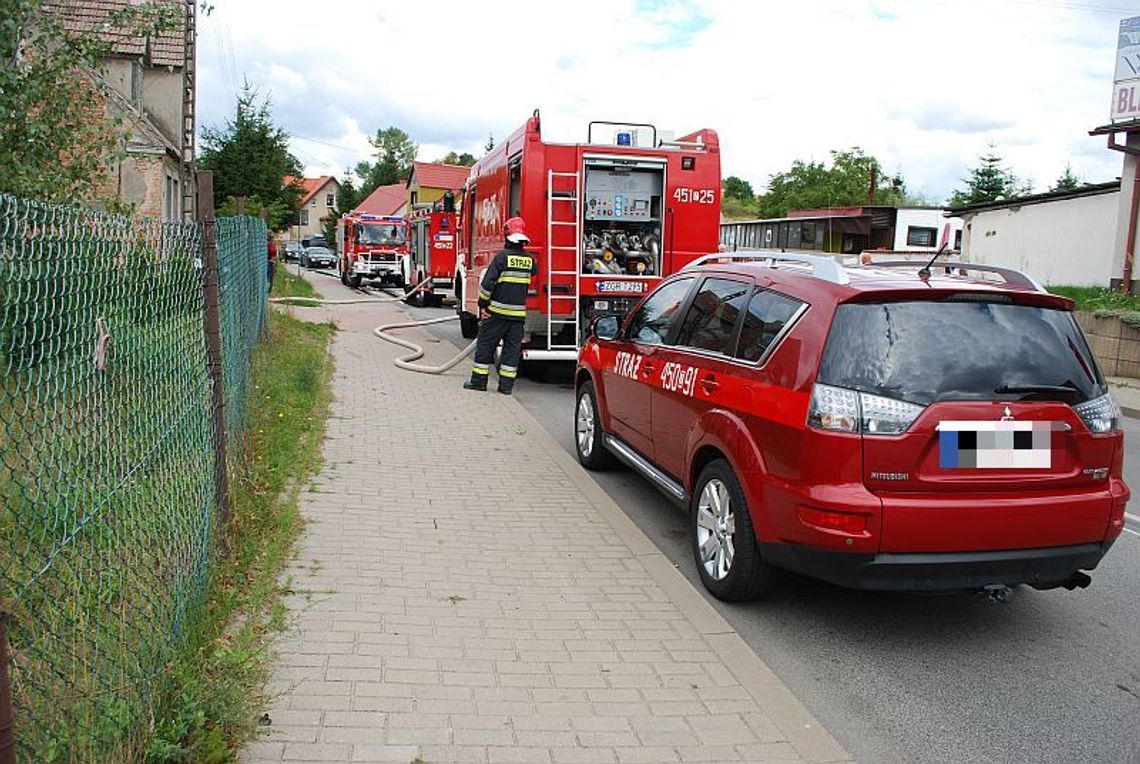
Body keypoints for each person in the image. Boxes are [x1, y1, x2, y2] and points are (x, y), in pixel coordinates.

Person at [464, 216, 537, 395]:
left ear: (507, 236)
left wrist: (483, 304)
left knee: (485, 345)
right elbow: (533, 273)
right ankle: (506, 387)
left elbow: (488, 284)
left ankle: (479, 382)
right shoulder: (530, 261)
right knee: (511, 351)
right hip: (517, 317)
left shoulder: (501, 258)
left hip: (496, 314)